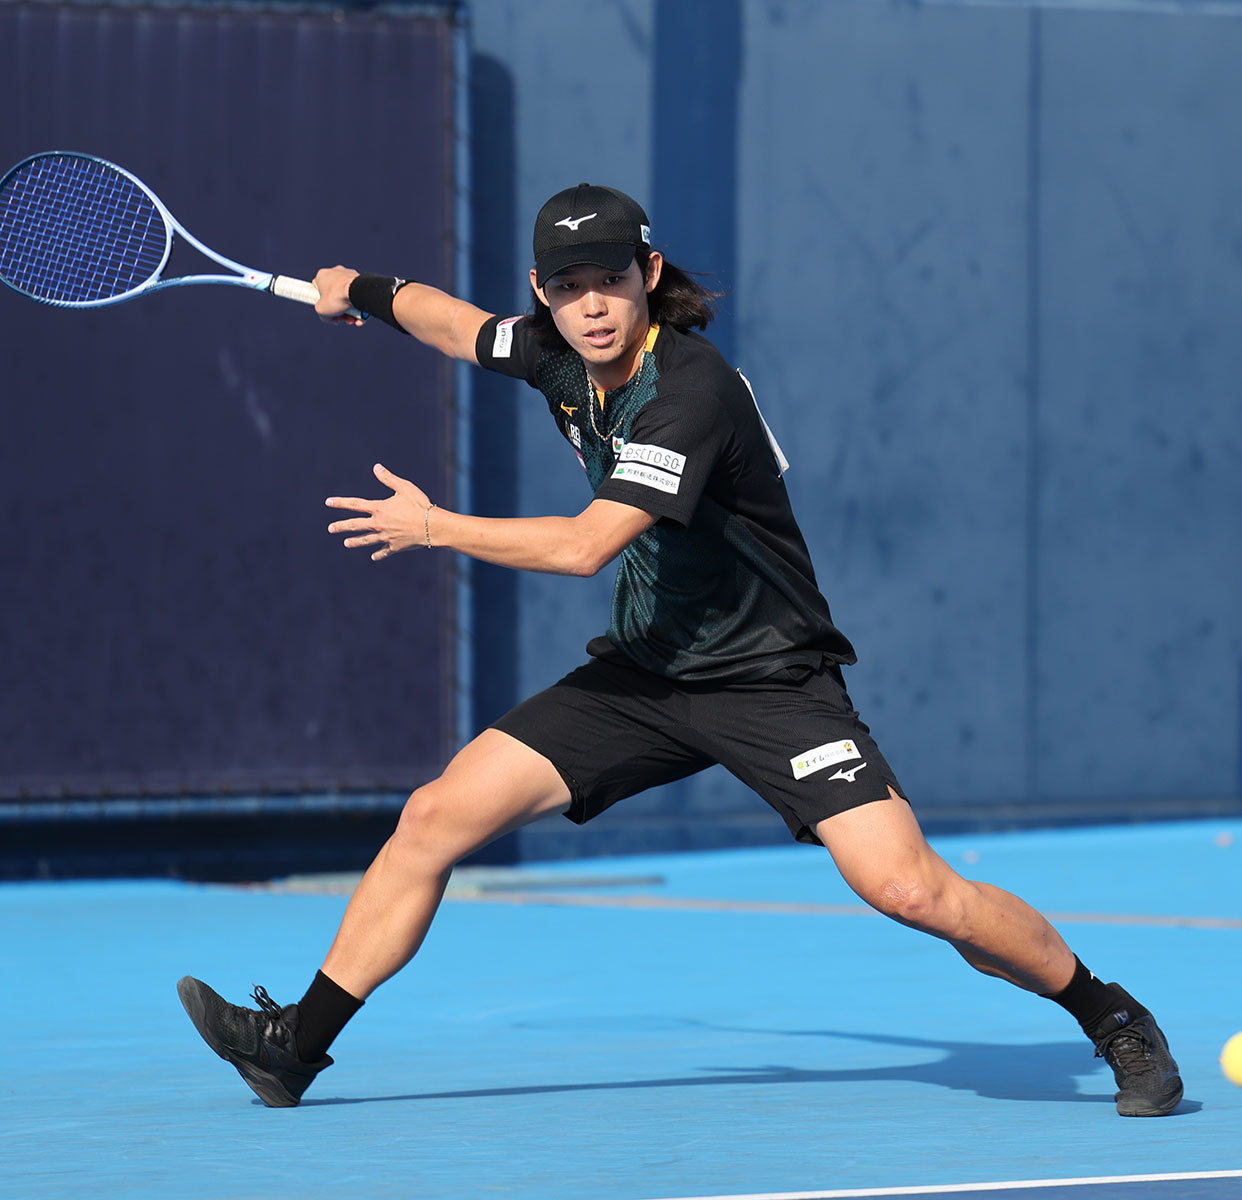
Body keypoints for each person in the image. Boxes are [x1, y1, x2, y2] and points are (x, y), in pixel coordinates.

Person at [176, 183, 1183, 1117]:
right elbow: (454, 324)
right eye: (568, 286)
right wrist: (357, 288)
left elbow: (584, 548)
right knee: (435, 815)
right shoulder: (554, 350)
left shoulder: (689, 389)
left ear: (648, 274)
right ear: (543, 291)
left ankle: (1114, 1018)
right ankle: (292, 1047)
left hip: (771, 678)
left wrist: (437, 526)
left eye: (611, 280)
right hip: (647, 672)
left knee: (912, 891)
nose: (593, 305)